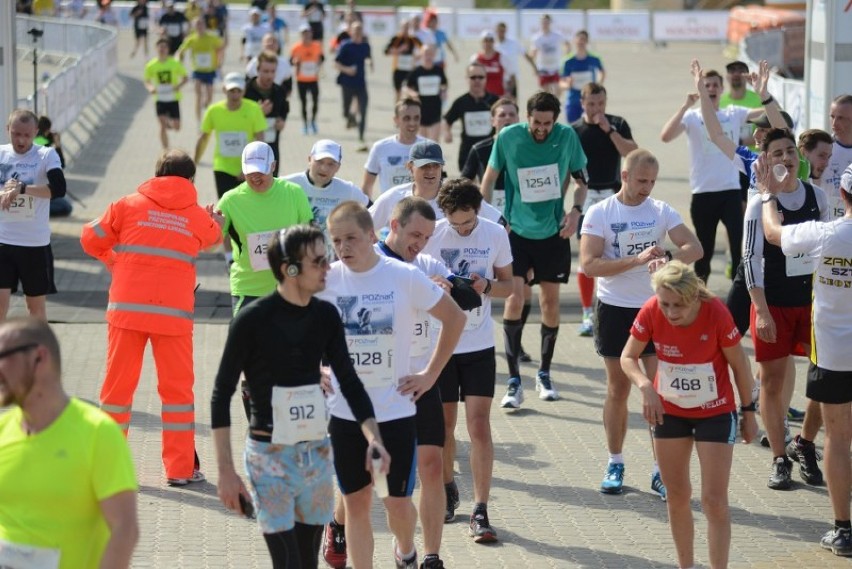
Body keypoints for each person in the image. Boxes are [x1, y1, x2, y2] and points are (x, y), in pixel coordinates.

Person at [211, 225, 389, 569]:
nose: (329, 266)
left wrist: (374, 439)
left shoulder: (325, 316)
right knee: (288, 561)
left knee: (307, 561)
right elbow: (221, 394)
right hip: (268, 455)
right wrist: (226, 472)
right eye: (319, 261)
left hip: (315, 454)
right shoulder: (251, 320)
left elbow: (349, 382)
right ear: (290, 269)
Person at [317, 201, 464, 569]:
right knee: (356, 502)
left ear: (371, 234)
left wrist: (430, 374)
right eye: (337, 241)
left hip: (394, 410)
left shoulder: (402, 276)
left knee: (396, 503)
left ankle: (406, 550)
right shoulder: (327, 279)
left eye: (351, 238)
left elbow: (456, 318)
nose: (344, 247)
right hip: (345, 413)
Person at [80, 149, 222, 486]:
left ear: (156, 174)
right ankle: (179, 470)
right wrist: (212, 218)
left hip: (126, 312)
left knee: (116, 392)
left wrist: (114, 259)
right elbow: (214, 238)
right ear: (190, 180)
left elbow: (89, 238)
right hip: (172, 317)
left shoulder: (127, 205)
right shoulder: (193, 215)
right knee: (177, 395)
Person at [580, 148, 702, 498]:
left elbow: (694, 248)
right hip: (615, 309)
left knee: (658, 390)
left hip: (655, 310)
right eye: (641, 180)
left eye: (652, 181)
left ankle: (659, 470)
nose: (647, 187)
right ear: (625, 176)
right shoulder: (601, 212)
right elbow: (589, 264)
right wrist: (637, 259)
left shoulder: (661, 210)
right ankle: (615, 461)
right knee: (618, 390)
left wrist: (666, 257)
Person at [621, 261, 757, 569]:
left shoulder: (717, 314)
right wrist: (645, 386)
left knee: (714, 501)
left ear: (694, 296)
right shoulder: (652, 308)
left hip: (715, 411)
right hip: (669, 410)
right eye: (665, 304)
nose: (670, 313)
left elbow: (740, 365)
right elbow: (628, 357)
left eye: (678, 306)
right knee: (677, 495)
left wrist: (749, 411)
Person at [762, 161, 852, 557]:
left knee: (838, 439)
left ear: (842, 195)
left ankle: (843, 529)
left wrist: (766, 195)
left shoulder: (826, 233)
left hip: (832, 353)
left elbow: (774, 234)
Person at [0, 317, 139, 569]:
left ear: (39, 358)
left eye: (3, 356)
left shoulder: (97, 432)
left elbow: (125, 529)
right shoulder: (2, 429)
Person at [479, 92, 587, 408]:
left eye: (548, 124)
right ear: (527, 117)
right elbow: (488, 180)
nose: (542, 129)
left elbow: (582, 182)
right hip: (517, 233)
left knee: (550, 302)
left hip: (553, 232)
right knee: (514, 297)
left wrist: (575, 212)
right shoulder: (508, 138)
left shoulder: (567, 137)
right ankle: (514, 381)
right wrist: (496, 220)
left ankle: (544, 373)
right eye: (537, 123)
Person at [423, 178, 513, 544]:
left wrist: (487, 287)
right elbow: (415, 276)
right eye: (455, 223)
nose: (462, 229)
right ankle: (447, 488)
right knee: (445, 427)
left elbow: (511, 286)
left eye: (468, 222)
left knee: (479, 427)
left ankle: (481, 508)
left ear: (478, 210)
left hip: (478, 344)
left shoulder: (494, 233)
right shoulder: (433, 234)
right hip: (441, 344)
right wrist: (437, 286)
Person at [744, 129, 829, 490]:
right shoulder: (757, 204)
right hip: (772, 303)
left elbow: (827, 252)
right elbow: (750, 259)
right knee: (773, 383)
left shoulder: (818, 196)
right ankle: (780, 458)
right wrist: (761, 311)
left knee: (827, 380)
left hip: (811, 303)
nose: (785, 158)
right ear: (765, 160)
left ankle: (805, 444)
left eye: (790, 151)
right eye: (777, 153)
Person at [660, 64, 766, 283]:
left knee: (739, 248)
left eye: (715, 85)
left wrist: (763, 91)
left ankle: (741, 299)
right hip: (703, 192)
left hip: (730, 192)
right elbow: (665, 136)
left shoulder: (733, 113)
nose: (711, 88)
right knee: (704, 252)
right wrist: (684, 105)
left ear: (721, 88)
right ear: (701, 89)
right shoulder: (691, 116)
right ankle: (699, 297)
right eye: (706, 85)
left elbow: (770, 114)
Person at [571, 82, 638, 337]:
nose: (596, 109)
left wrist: (610, 131)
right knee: (586, 257)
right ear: (582, 103)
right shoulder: (574, 130)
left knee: (612, 253)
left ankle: (609, 307)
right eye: (591, 104)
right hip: (587, 195)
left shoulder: (617, 123)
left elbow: (633, 154)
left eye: (600, 104)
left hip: (613, 195)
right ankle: (587, 311)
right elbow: (567, 167)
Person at [194, 71, 267, 264]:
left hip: (248, 170)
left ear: (243, 91)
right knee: (224, 211)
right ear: (224, 90)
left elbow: (260, 138)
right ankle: (229, 257)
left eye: (238, 90)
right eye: (231, 90)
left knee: (249, 210)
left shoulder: (253, 109)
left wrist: (253, 168)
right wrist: (194, 161)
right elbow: (203, 137)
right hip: (223, 168)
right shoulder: (214, 111)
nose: (235, 94)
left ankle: (253, 251)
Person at [0, 109, 66, 321]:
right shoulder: (1, 154)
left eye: (27, 135)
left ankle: (40, 353)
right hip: (3, 241)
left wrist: (23, 189)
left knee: (35, 310)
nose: (21, 140)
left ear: (36, 132)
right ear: (7, 129)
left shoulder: (45, 155)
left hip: (34, 244)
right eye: (16, 133)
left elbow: (58, 189)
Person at [283, 139, 368, 252]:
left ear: (338, 167)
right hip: (293, 255)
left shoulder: (347, 190)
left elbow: (373, 210)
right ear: (309, 159)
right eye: (320, 162)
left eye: (331, 164)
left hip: (329, 260)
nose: (324, 168)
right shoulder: (287, 185)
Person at [361, 98, 427, 200]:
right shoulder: (380, 147)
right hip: (389, 212)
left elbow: (438, 185)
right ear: (396, 120)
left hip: (420, 211)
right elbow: (367, 185)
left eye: (416, 118)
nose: (412, 123)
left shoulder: (429, 147)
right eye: (406, 118)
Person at [443, 63, 499, 173]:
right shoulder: (461, 102)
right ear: (467, 79)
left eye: (480, 77)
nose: (477, 80)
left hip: (490, 153)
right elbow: (447, 119)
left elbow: (508, 120)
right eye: (473, 77)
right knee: (468, 188)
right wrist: (447, 133)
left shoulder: (495, 101)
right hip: (467, 153)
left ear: (486, 79)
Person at [244, 51, 290, 176]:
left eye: (273, 71)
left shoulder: (279, 91)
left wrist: (282, 120)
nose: (270, 75)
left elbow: (285, 109)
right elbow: (237, 117)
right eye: (265, 71)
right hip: (248, 147)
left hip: (271, 146)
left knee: (272, 181)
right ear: (257, 70)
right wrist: (258, 113)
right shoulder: (246, 91)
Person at [176, 17, 225, 123]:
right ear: (194, 27)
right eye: (197, 24)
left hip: (210, 71)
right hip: (197, 71)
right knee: (198, 96)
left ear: (205, 25)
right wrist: (178, 59)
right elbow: (181, 50)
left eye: (201, 24)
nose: (199, 26)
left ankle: (207, 107)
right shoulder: (191, 39)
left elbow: (221, 47)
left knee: (210, 97)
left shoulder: (212, 37)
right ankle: (199, 121)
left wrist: (219, 62)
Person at [144, 38, 189, 149]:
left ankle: (169, 120)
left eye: (164, 47)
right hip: (160, 98)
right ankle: (166, 149)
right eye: (160, 47)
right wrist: (150, 88)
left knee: (177, 127)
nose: (162, 49)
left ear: (168, 49)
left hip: (173, 98)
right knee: (162, 126)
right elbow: (147, 80)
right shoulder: (151, 65)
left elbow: (185, 77)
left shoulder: (174, 63)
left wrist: (178, 86)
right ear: (156, 49)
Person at [334, 22, 372, 152]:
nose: (357, 33)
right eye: (355, 31)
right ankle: (350, 118)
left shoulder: (365, 46)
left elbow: (368, 57)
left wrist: (370, 62)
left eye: (360, 31)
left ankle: (361, 137)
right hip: (347, 83)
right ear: (351, 32)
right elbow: (336, 63)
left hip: (361, 84)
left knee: (363, 111)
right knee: (346, 110)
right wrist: (347, 70)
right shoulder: (345, 45)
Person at [814, 95, 852, 220]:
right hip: (827, 226)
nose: (834, 123)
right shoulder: (820, 149)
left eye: (841, 118)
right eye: (832, 117)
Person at [404, 44, 447, 142]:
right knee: (422, 140)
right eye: (426, 53)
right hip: (420, 107)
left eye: (431, 54)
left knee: (435, 141)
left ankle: (434, 157)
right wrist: (412, 94)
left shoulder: (438, 70)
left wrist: (444, 91)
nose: (428, 56)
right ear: (421, 55)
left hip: (435, 106)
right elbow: (406, 87)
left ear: (434, 55)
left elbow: (444, 84)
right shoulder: (416, 71)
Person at [560, 30, 605, 123]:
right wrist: (567, 85)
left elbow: (602, 72)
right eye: (579, 39)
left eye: (584, 39)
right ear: (574, 41)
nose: (581, 42)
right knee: (573, 130)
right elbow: (561, 82)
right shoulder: (567, 61)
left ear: (587, 41)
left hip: (590, 101)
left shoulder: (594, 58)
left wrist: (598, 84)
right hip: (573, 101)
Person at [291, 23, 324, 135]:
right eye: (304, 33)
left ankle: (313, 121)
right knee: (303, 103)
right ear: (301, 35)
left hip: (313, 79)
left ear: (311, 33)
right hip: (301, 80)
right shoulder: (296, 47)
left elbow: (322, 58)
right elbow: (290, 60)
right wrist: (294, 62)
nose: (306, 35)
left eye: (308, 33)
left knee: (315, 102)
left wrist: (319, 62)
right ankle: (305, 124)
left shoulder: (317, 46)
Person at [494, 21, 535, 101]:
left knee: (513, 102)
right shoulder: (494, 46)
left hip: (511, 78)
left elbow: (525, 55)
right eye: (499, 31)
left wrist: (534, 67)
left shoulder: (513, 43)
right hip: (498, 79)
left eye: (503, 31)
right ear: (496, 31)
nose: (501, 33)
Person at [384, 19, 422, 102]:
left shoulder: (413, 39)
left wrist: (418, 56)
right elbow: (386, 51)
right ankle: (398, 111)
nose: (406, 29)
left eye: (407, 27)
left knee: (411, 89)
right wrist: (399, 50)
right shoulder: (396, 38)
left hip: (410, 69)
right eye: (404, 27)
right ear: (401, 27)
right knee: (398, 91)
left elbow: (423, 49)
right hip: (398, 69)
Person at [529, 14, 565, 98]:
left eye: (547, 22)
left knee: (558, 88)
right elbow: (533, 53)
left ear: (550, 23)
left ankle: (556, 103)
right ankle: (549, 106)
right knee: (546, 92)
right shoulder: (537, 38)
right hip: (543, 68)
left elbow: (567, 44)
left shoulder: (557, 35)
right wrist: (534, 67)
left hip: (555, 67)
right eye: (543, 22)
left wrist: (565, 56)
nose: (545, 24)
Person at [471, 31, 504, 98]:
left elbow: (510, 76)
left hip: (499, 96)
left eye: (491, 40)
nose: (488, 43)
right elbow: (471, 77)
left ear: (494, 42)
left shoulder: (501, 57)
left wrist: (509, 92)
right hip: (481, 97)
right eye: (485, 40)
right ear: (481, 42)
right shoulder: (476, 58)